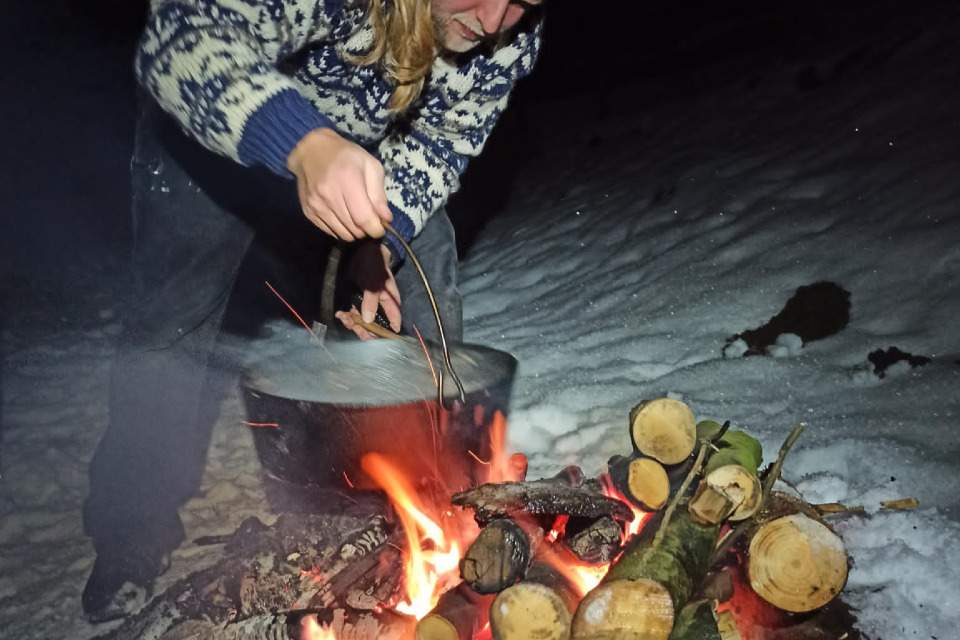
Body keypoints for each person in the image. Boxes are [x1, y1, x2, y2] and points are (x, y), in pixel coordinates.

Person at [81, 0, 544, 622]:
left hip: (357, 158)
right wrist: (302, 143)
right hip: (213, 138)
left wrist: (372, 245)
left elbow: (438, 146)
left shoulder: (508, 39)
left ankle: (439, 511)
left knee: (425, 262)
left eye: (524, 3)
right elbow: (183, 35)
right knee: (171, 328)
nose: (495, 21)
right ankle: (130, 536)